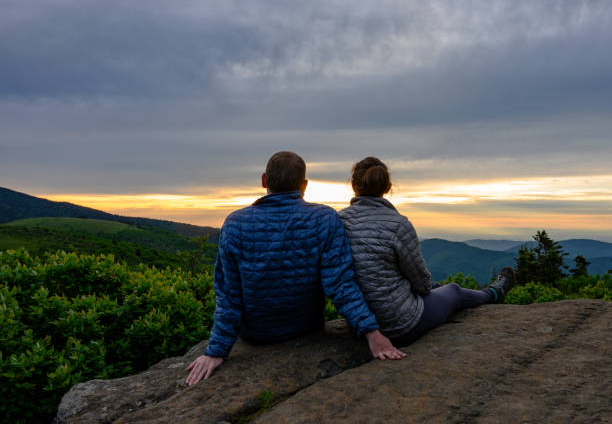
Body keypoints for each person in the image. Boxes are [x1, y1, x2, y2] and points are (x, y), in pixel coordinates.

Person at [186, 151, 405, 385]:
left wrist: (215, 351)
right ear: (304, 185)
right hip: (306, 329)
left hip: (257, 335)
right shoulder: (324, 219)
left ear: (264, 181)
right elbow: (340, 284)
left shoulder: (235, 223)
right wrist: (372, 332)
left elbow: (229, 295)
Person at [338, 157, 515, 347]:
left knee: (435, 286)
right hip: (400, 326)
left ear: (354, 185)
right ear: (388, 187)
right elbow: (421, 285)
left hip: (359, 327)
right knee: (453, 290)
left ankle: (450, 289)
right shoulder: (398, 224)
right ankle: (494, 293)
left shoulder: (337, 221)